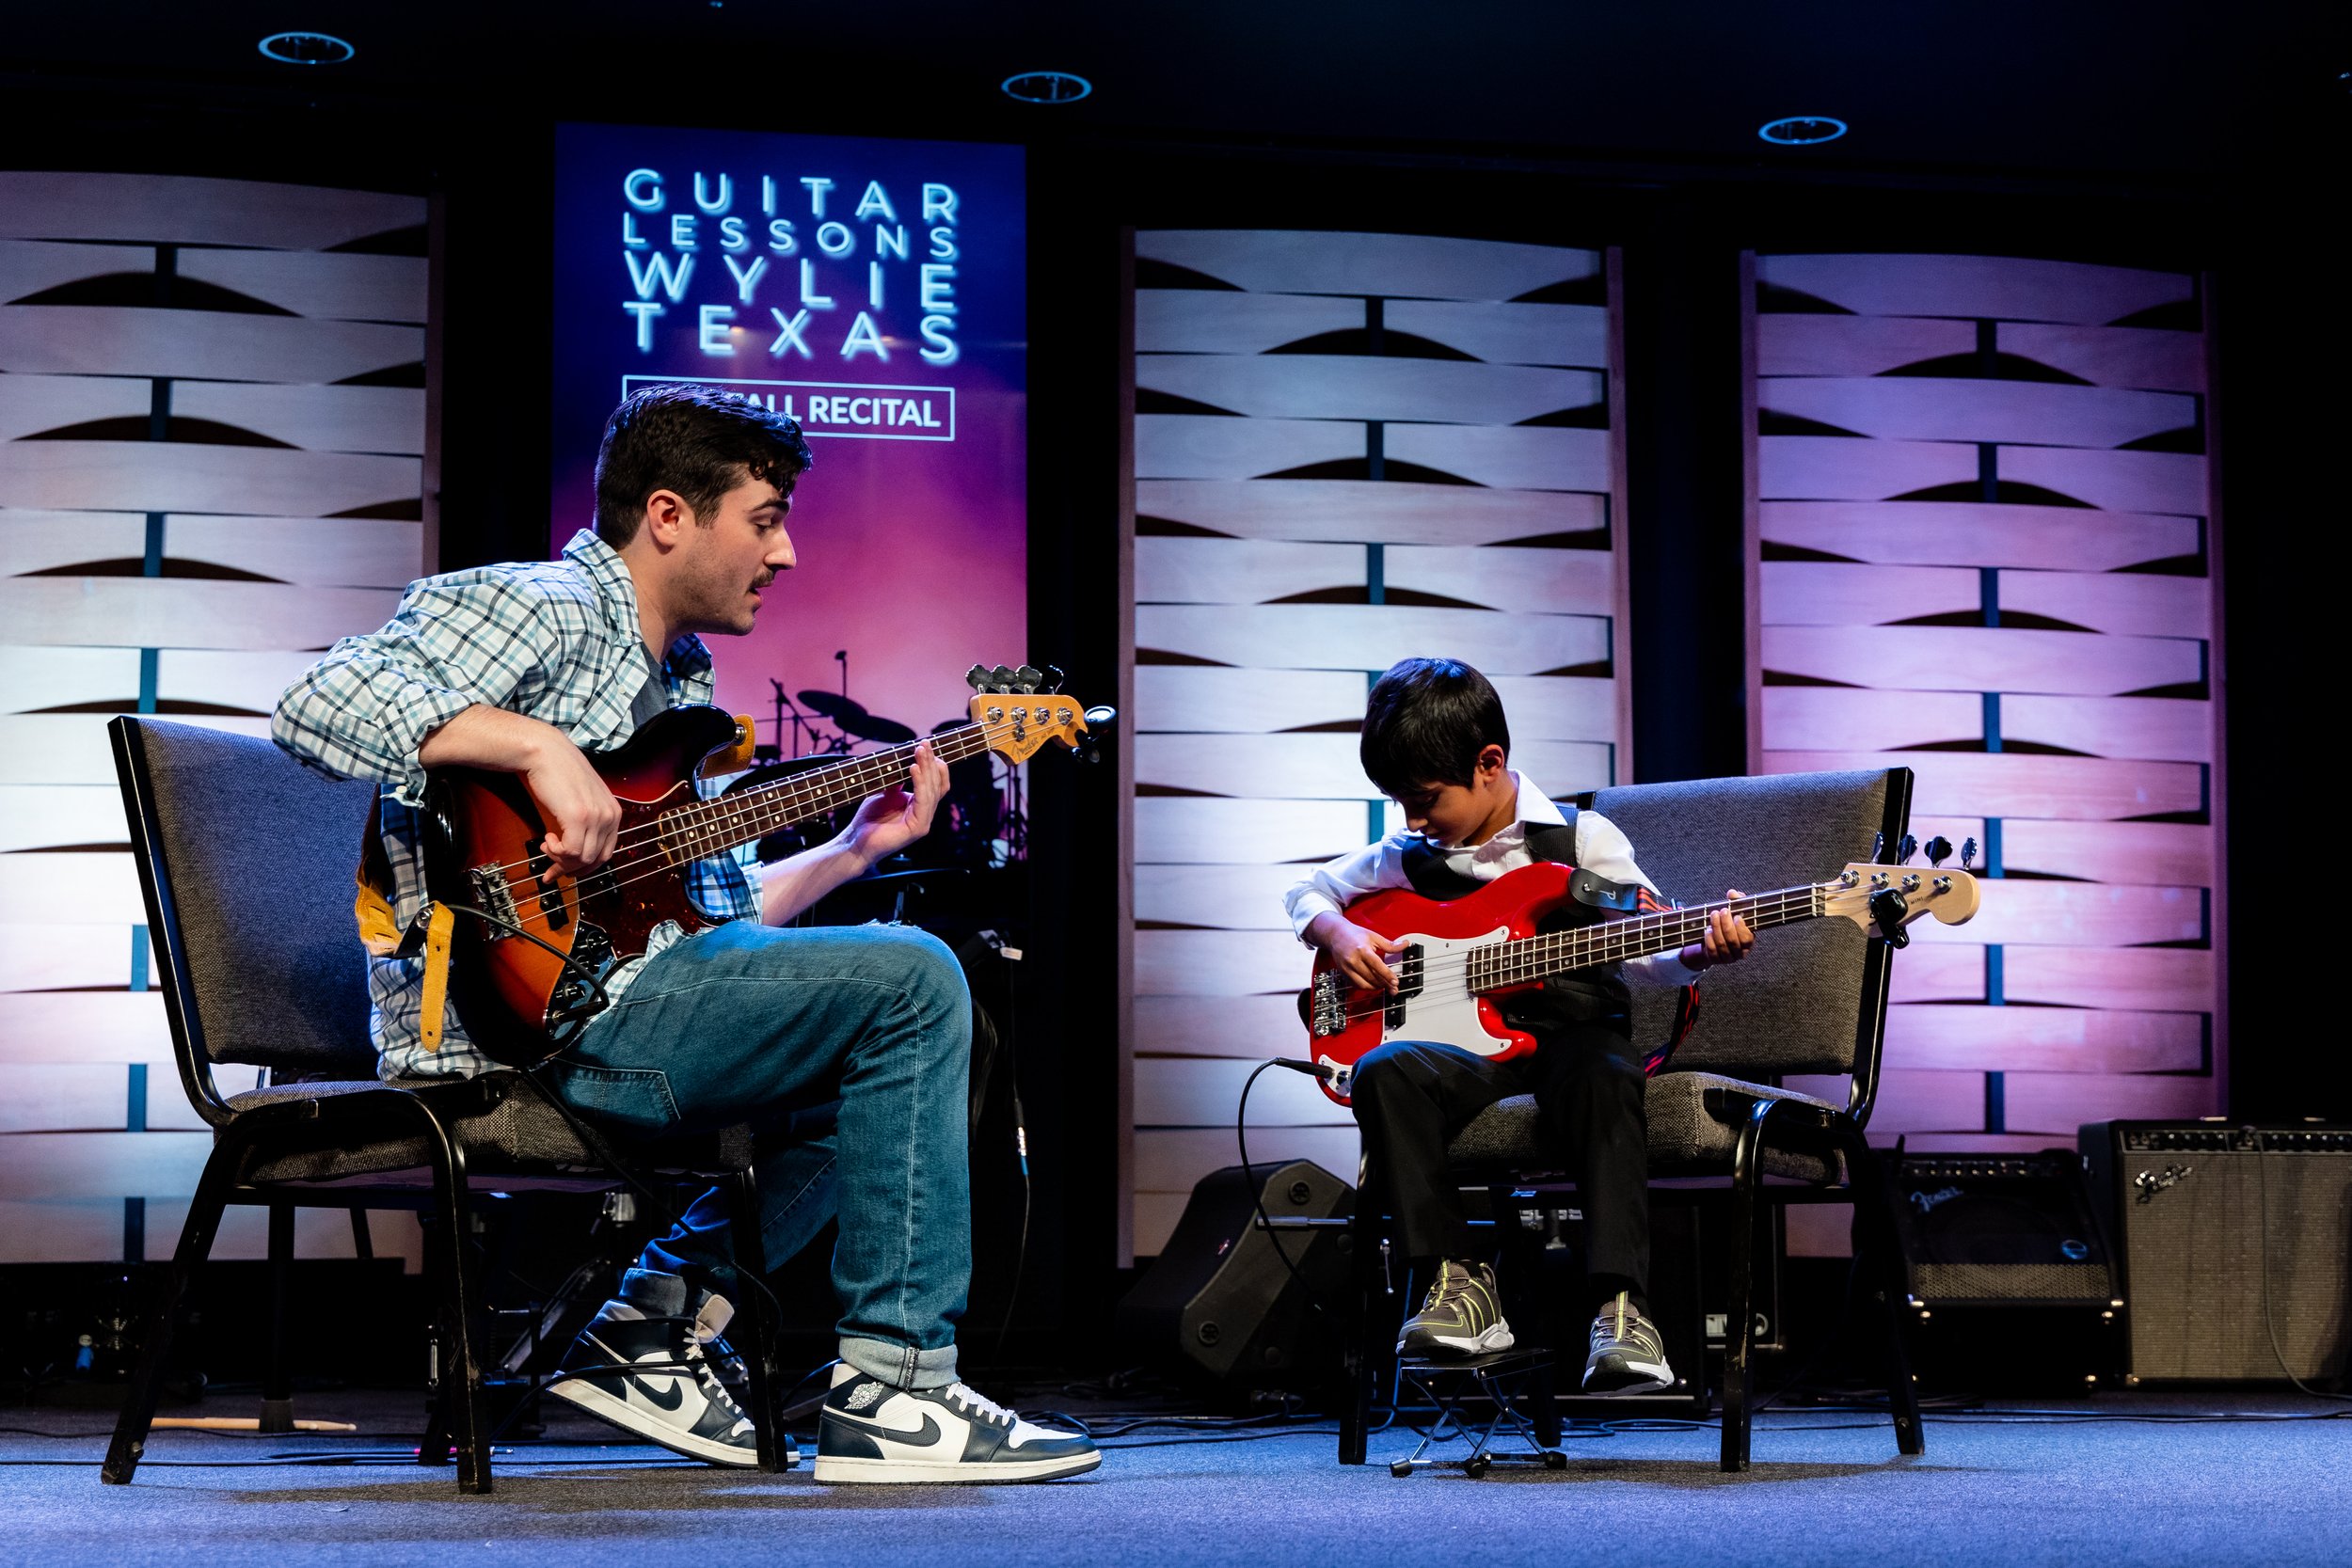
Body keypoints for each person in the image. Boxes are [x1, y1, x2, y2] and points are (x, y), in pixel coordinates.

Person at [273, 383, 1097, 1482]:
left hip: (639, 1002)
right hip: (519, 1028)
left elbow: (707, 924)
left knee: (898, 1022)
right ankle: (896, 1390)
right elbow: (318, 699)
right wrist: (532, 747)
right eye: (765, 518)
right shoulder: (549, 605)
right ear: (669, 514)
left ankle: (650, 1322)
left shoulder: (685, 688)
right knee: (913, 978)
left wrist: (854, 851)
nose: (789, 551)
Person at [1282, 657, 1754, 1394]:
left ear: (1490, 763)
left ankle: (1621, 1309)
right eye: (1399, 801)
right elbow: (1306, 889)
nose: (1409, 819)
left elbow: (1656, 948)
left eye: (1423, 798)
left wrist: (1696, 949)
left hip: (1574, 1038)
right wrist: (1337, 936)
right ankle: (1456, 1285)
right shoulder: (1406, 858)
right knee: (1383, 1069)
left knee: (1605, 1073)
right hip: (1478, 1057)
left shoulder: (1581, 841)